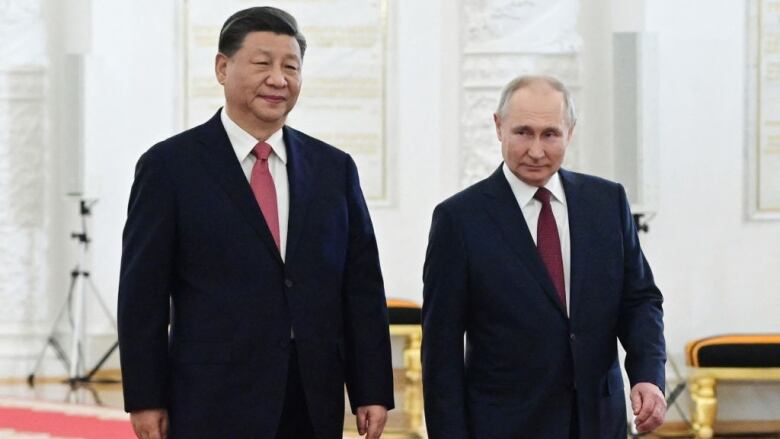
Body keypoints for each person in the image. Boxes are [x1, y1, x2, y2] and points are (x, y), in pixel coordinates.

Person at [117, 6, 394, 439]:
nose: (278, 79)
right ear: (223, 68)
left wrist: (371, 388)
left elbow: (360, 287)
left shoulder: (333, 169)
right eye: (263, 63)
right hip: (210, 398)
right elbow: (142, 296)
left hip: (310, 398)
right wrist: (145, 397)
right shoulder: (170, 167)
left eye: (291, 67)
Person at [421, 75, 666, 439]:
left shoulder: (607, 203)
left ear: (571, 132)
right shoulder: (459, 220)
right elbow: (441, 348)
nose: (536, 150)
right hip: (504, 425)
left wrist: (647, 375)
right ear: (498, 127)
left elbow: (640, 300)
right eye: (523, 132)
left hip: (598, 422)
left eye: (550, 134)